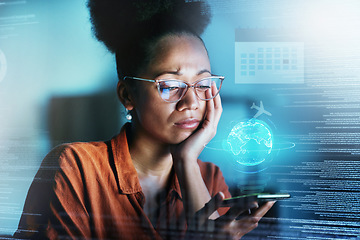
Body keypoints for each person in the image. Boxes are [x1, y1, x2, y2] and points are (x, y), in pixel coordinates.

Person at [14, 0, 275, 239]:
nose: (192, 102)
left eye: (203, 83)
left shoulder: (209, 178)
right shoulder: (76, 167)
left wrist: (185, 161)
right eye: (170, 85)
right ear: (128, 94)